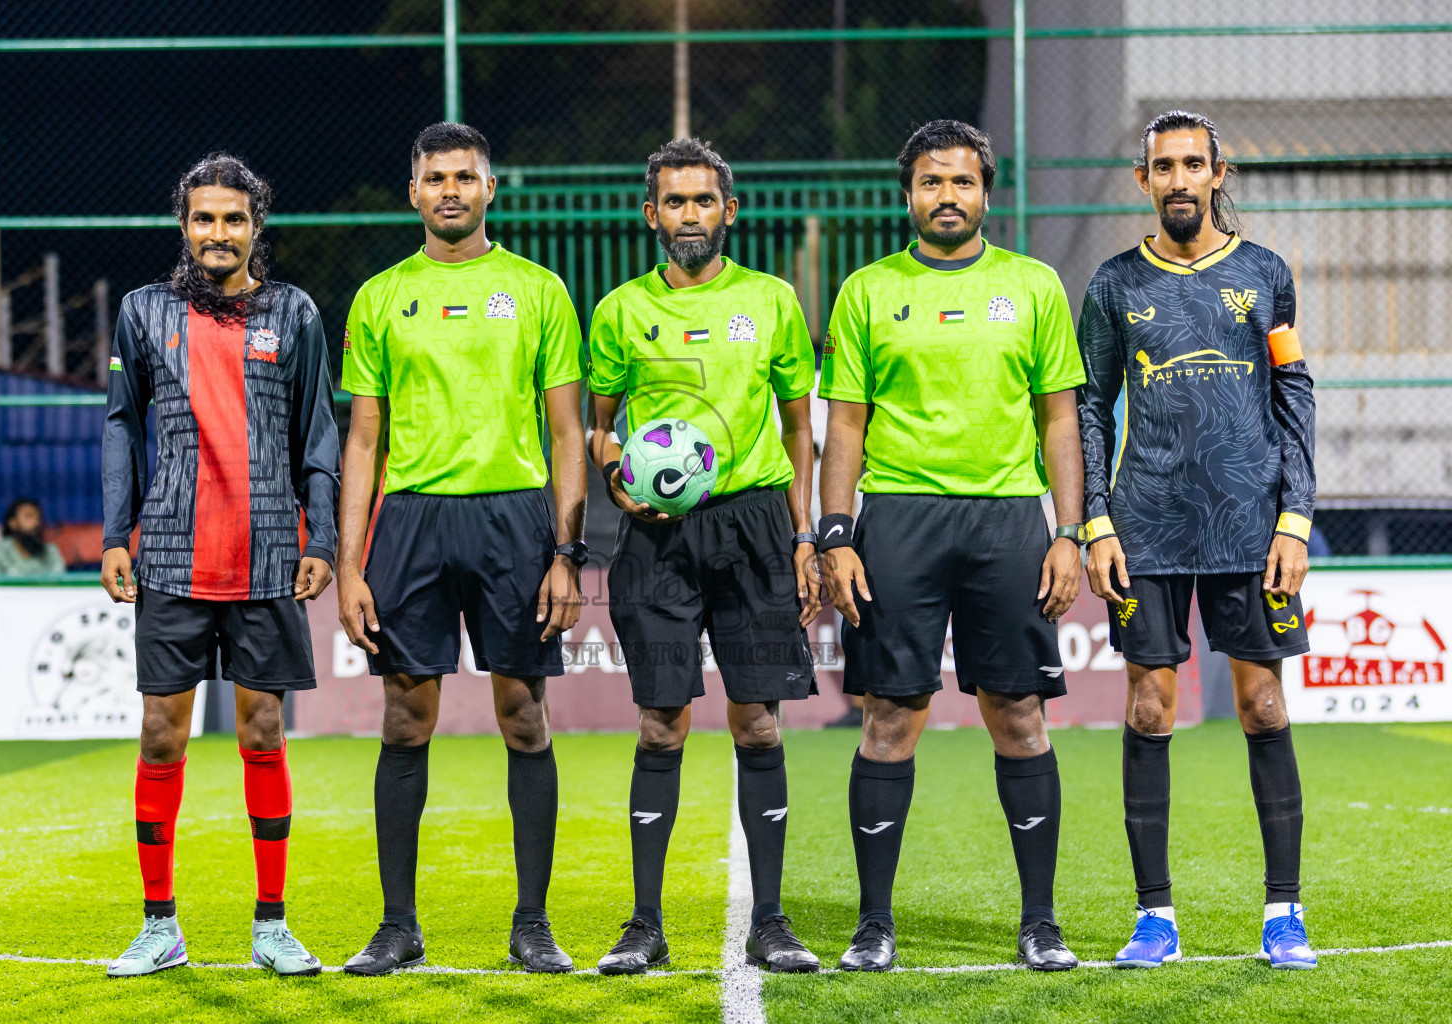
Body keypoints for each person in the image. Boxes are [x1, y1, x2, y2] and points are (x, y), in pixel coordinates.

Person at [819, 119, 1085, 973]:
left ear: (984, 192)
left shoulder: (1034, 285)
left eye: (961, 182)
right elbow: (845, 426)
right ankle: (873, 924)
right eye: (931, 183)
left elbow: (1059, 419)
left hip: (1009, 519)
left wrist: (1069, 532)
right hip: (897, 519)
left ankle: (1040, 922)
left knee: (1018, 714)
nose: (946, 197)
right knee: (890, 716)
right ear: (909, 194)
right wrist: (836, 535)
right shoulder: (866, 289)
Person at [336, 122, 587, 976]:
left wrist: (565, 551)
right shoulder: (379, 297)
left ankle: (532, 925)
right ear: (415, 192)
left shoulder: (539, 290)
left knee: (524, 715)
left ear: (490, 188)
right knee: (406, 717)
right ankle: (398, 925)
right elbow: (362, 443)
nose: (451, 190)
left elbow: (566, 434)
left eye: (465, 177)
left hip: (513, 523)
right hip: (408, 524)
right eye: (435, 178)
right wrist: (348, 565)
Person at [1077, 110, 1318, 970]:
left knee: (1263, 705)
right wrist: (1095, 521)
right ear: (1142, 181)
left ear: (1219, 173)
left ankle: (1283, 913)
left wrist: (1296, 515)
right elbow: (1087, 409)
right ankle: (1155, 918)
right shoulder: (1112, 284)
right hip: (1145, 526)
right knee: (1150, 707)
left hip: (1251, 528)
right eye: (1162, 167)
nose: (1178, 179)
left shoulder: (1265, 275)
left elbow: (1294, 395)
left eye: (1193, 164)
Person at [100, 153, 339, 977]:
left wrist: (322, 539)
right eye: (204, 218)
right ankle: (159, 924)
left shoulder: (294, 313)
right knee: (161, 736)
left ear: (255, 227)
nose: (218, 233)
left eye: (233, 219)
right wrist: (113, 535)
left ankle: (271, 925)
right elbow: (119, 429)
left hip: (269, 554)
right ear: (184, 225)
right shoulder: (141, 313)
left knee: (263, 732)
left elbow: (319, 434)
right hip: (168, 552)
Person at [587, 137, 821, 975]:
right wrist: (615, 476)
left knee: (758, 722)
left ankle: (772, 920)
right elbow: (598, 425)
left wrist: (802, 536)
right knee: (662, 722)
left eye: (704, 200)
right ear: (651, 214)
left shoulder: (773, 302)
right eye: (674, 202)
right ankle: (644, 924)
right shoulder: (619, 311)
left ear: (731, 209)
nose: (690, 214)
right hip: (657, 538)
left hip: (755, 526)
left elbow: (801, 427)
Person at [0, 498, 66, 576]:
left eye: (38, 518)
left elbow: (58, 585)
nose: (36, 523)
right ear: (13, 523)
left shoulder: (50, 551)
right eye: (29, 517)